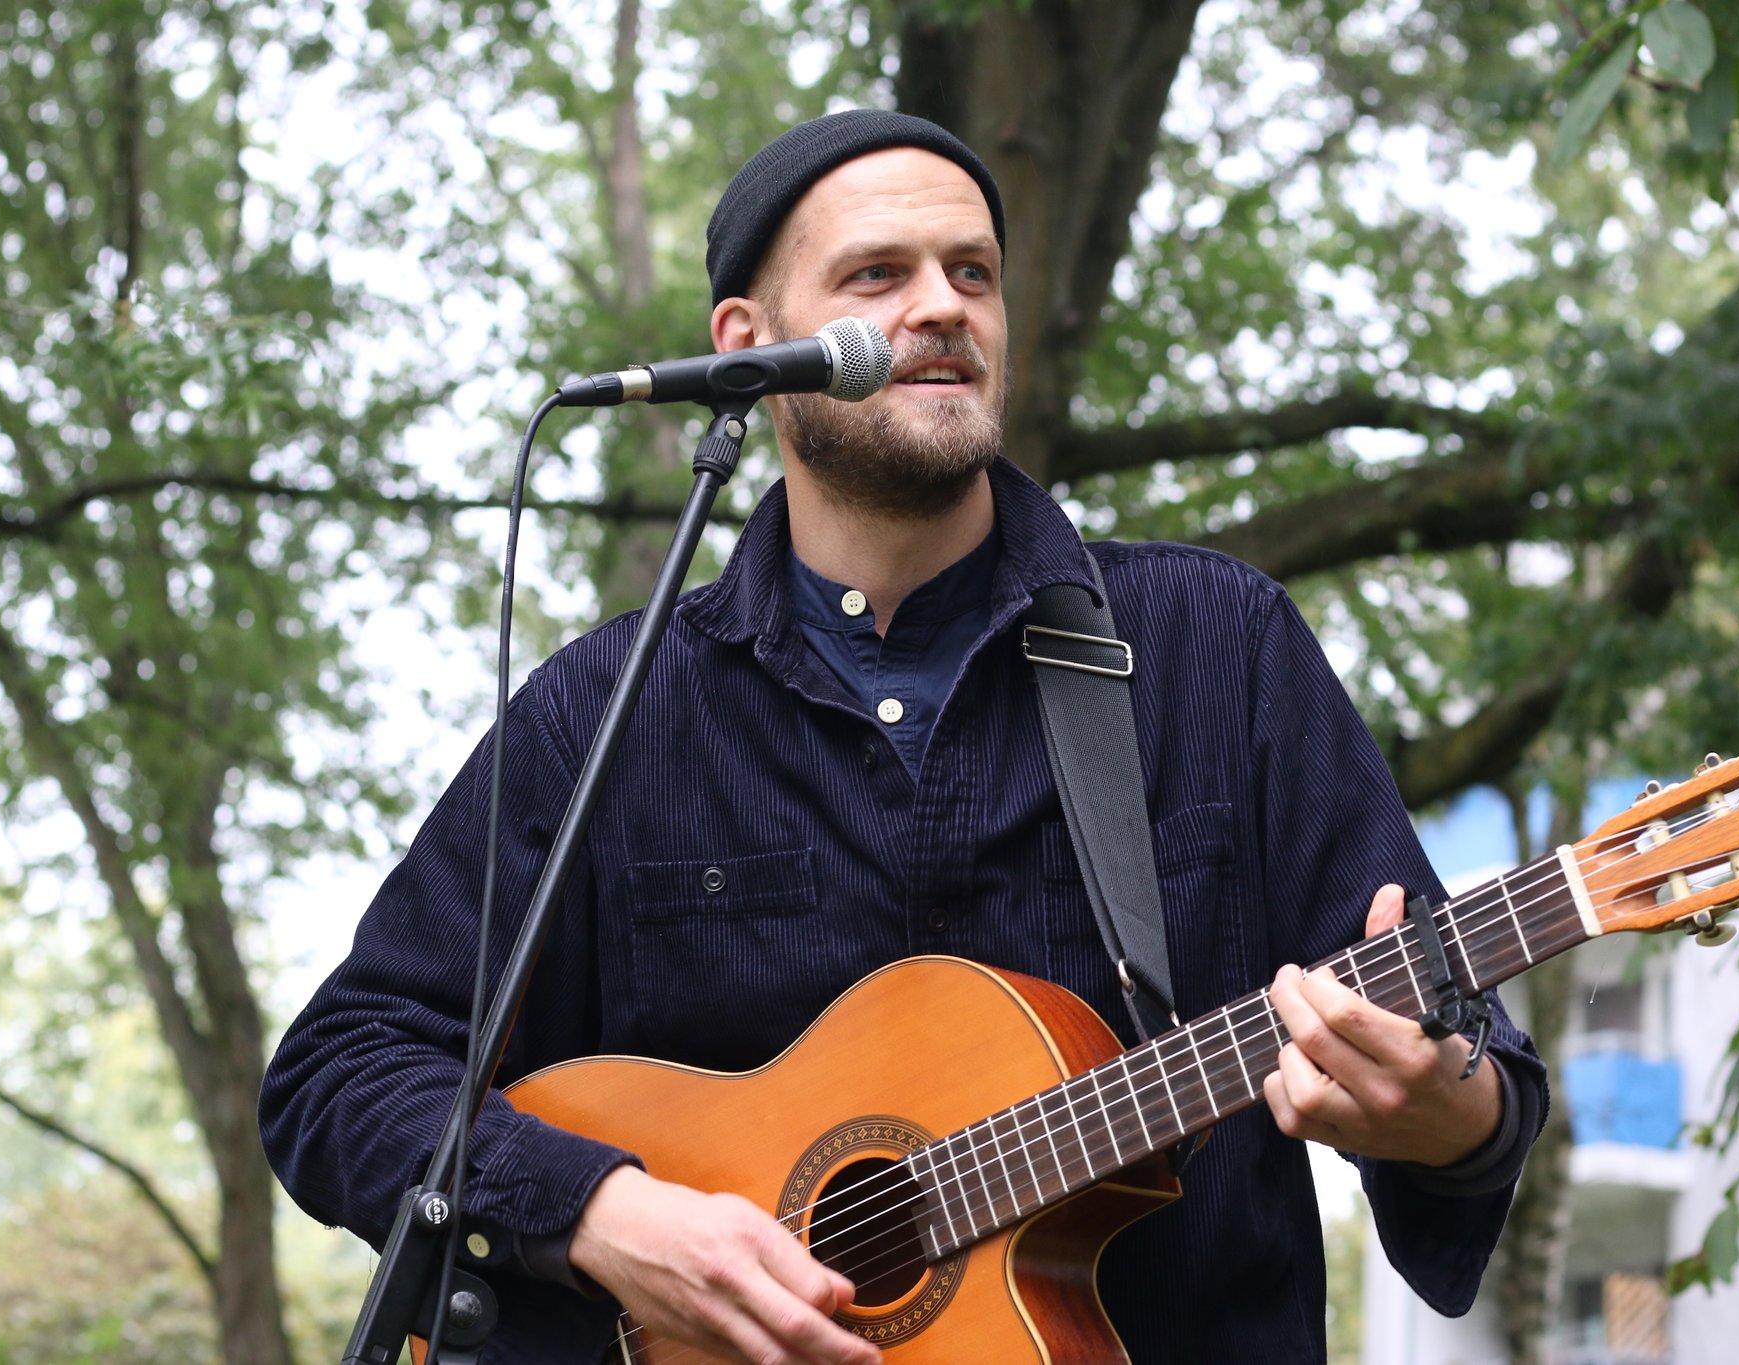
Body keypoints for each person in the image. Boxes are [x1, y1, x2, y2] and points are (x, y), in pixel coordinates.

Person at [262, 110, 1546, 1364]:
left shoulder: (1216, 643)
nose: (943, 306)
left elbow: (1469, 1067)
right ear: (747, 345)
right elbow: (340, 1072)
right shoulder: (609, 706)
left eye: (972, 272)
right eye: (879, 273)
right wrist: (605, 1212)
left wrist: (1445, 1114)